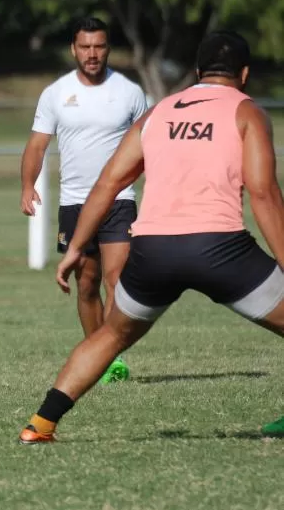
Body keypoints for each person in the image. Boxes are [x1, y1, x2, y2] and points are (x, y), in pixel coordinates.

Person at [19, 30, 284, 444]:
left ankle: (40, 424)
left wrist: (74, 247)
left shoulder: (159, 112)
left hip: (153, 250)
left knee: (112, 335)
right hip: (219, 247)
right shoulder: (247, 112)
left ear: (197, 72)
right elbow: (264, 192)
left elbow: (108, 182)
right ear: (245, 74)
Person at [20, 16, 148, 382]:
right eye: (85, 47)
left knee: (116, 278)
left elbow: (149, 145)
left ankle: (112, 356)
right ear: (74, 49)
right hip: (74, 203)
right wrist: (28, 185)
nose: (92, 54)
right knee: (87, 283)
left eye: (99, 46)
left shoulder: (130, 93)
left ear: (108, 48)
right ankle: (99, 354)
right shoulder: (55, 94)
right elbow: (37, 144)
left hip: (119, 199)